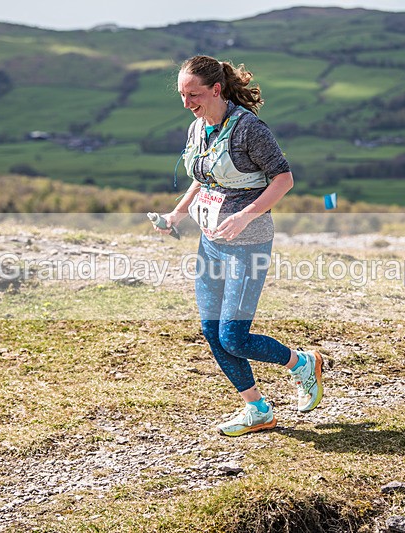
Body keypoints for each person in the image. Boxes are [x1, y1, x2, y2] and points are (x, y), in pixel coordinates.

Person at [155, 55, 324, 437]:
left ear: (216, 89)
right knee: (212, 331)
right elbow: (203, 179)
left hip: (248, 243)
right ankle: (257, 409)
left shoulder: (250, 130)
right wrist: (175, 215)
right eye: (182, 95)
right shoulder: (197, 128)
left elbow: (283, 179)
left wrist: (245, 215)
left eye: (193, 94)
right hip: (211, 243)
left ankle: (301, 363)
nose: (187, 104)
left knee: (234, 335)